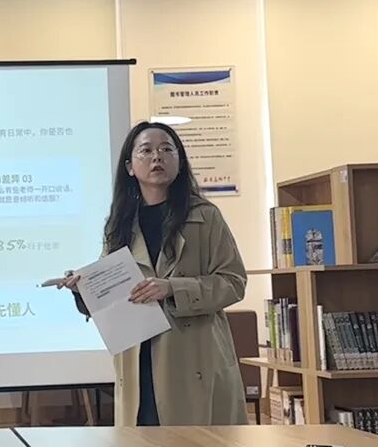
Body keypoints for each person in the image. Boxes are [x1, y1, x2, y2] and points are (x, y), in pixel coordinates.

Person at [61, 122, 248, 426]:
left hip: (194, 360)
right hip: (139, 359)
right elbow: (112, 292)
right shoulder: (118, 224)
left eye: (166, 149)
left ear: (179, 161)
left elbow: (233, 282)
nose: (156, 157)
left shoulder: (205, 216)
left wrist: (173, 288)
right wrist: (83, 287)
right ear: (129, 167)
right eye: (146, 151)